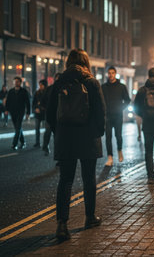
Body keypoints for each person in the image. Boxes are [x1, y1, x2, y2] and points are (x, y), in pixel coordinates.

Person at [46, 49, 105, 241]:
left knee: (65, 180)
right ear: (86, 62)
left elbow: (50, 114)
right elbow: (100, 112)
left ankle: (62, 225)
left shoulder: (59, 83)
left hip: (66, 138)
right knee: (89, 179)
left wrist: (59, 132)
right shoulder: (91, 82)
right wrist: (98, 132)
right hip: (88, 137)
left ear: (68, 63)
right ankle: (89, 217)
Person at [101, 66, 131, 167]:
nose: (111, 75)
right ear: (107, 74)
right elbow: (100, 100)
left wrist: (120, 108)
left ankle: (119, 149)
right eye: (109, 73)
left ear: (115, 74)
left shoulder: (121, 87)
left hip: (118, 116)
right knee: (108, 137)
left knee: (118, 136)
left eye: (112, 73)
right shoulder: (104, 87)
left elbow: (127, 100)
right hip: (107, 116)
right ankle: (110, 157)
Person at [5, 77, 30, 150]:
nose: (16, 83)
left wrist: (28, 113)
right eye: (15, 81)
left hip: (20, 112)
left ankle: (14, 144)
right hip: (12, 112)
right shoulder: (11, 91)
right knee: (17, 128)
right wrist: (6, 110)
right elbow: (8, 101)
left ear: (20, 83)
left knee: (18, 128)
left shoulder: (24, 91)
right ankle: (23, 142)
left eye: (17, 81)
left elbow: (27, 103)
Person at [41, 73, 60, 156]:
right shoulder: (49, 89)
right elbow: (43, 100)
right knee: (48, 131)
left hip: (59, 115)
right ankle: (45, 146)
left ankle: (57, 154)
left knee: (57, 135)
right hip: (50, 113)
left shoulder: (63, 89)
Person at [32, 79, 48, 148]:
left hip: (45, 113)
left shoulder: (47, 93)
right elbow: (34, 103)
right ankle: (37, 142)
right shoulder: (37, 93)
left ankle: (45, 143)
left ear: (45, 85)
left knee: (47, 129)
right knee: (37, 128)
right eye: (39, 85)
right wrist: (35, 108)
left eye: (41, 85)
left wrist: (43, 107)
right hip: (38, 113)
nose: (40, 86)